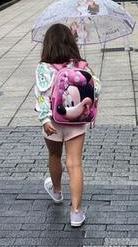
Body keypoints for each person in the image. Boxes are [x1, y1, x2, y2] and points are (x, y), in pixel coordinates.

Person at [35, 24, 98, 228]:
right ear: (71, 43)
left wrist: (45, 120)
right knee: (75, 164)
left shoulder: (44, 67)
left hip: (53, 121)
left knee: (54, 156)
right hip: (77, 121)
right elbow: (95, 90)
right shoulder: (81, 66)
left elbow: (42, 96)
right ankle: (76, 212)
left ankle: (57, 191)